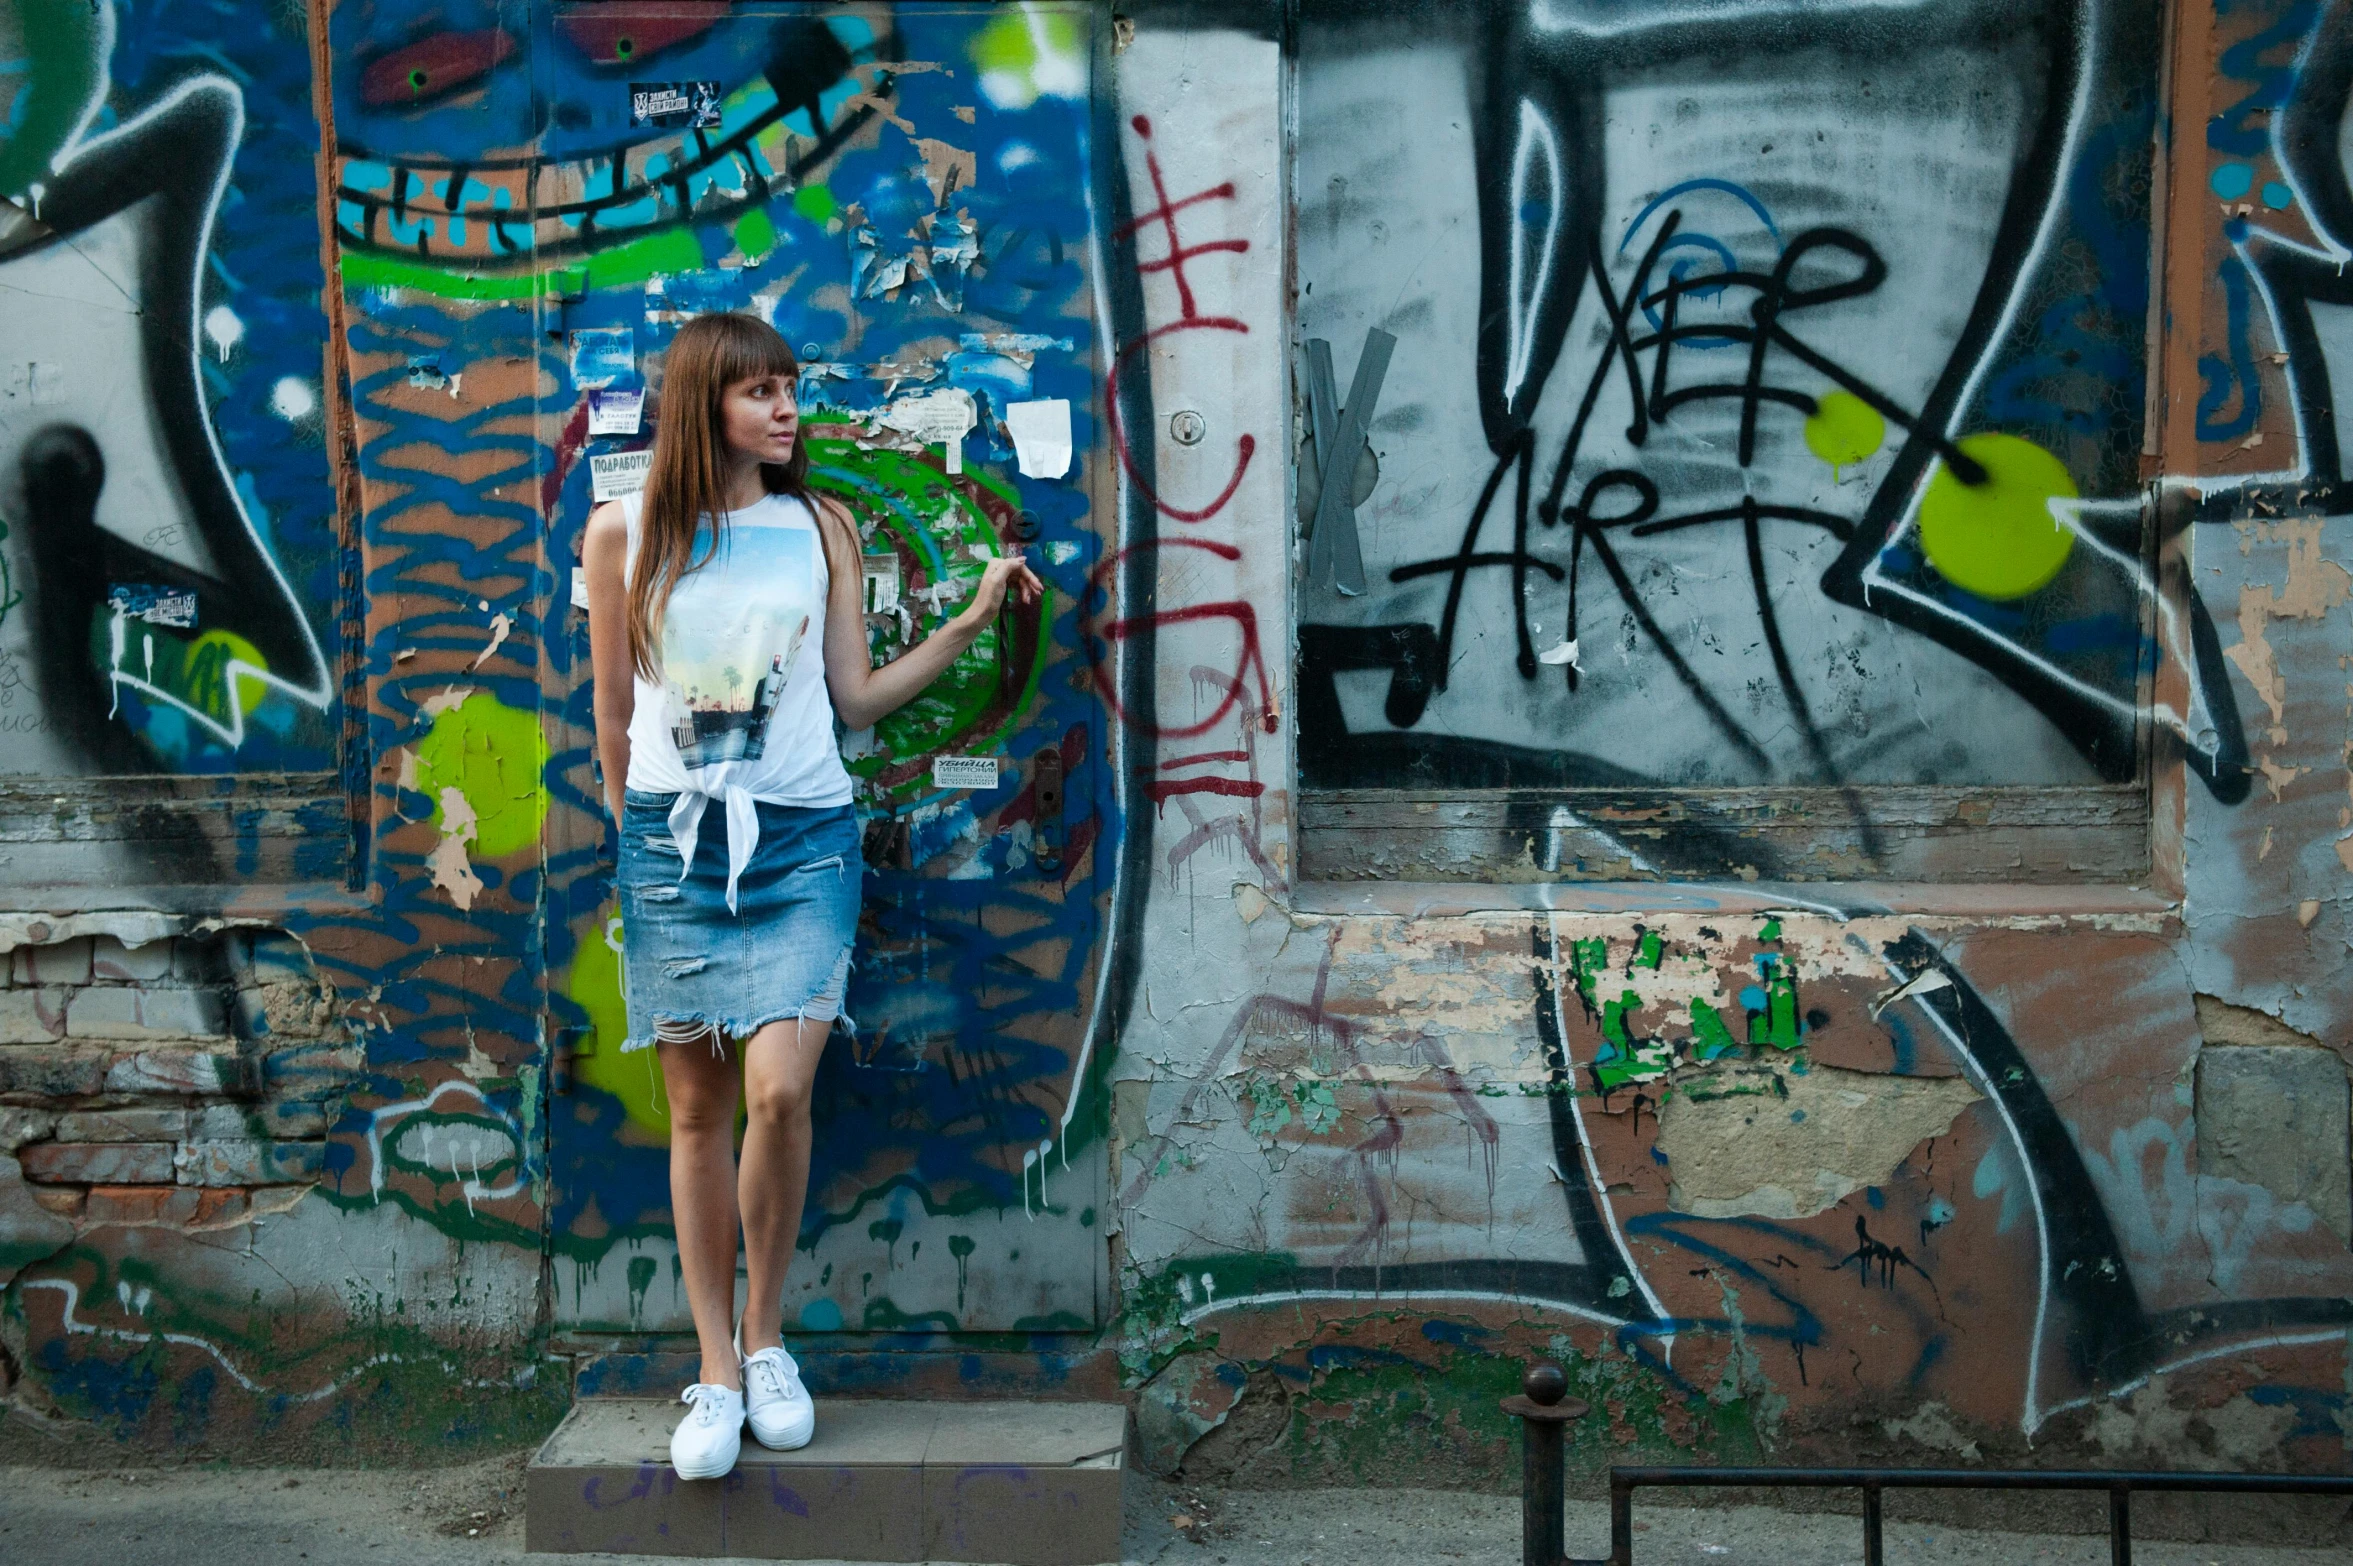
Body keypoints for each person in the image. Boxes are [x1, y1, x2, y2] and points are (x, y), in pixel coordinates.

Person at [581, 312, 1039, 1479]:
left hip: (803, 842)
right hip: (673, 851)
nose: (786, 409)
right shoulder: (621, 534)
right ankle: (716, 1370)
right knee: (696, 1112)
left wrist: (973, 617)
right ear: (705, 406)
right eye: (759, 393)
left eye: (789, 388)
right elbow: (610, 721)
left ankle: (768, 1337)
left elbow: (856, 696)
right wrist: (636, 853)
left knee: (778, 1092)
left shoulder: (818, 525)